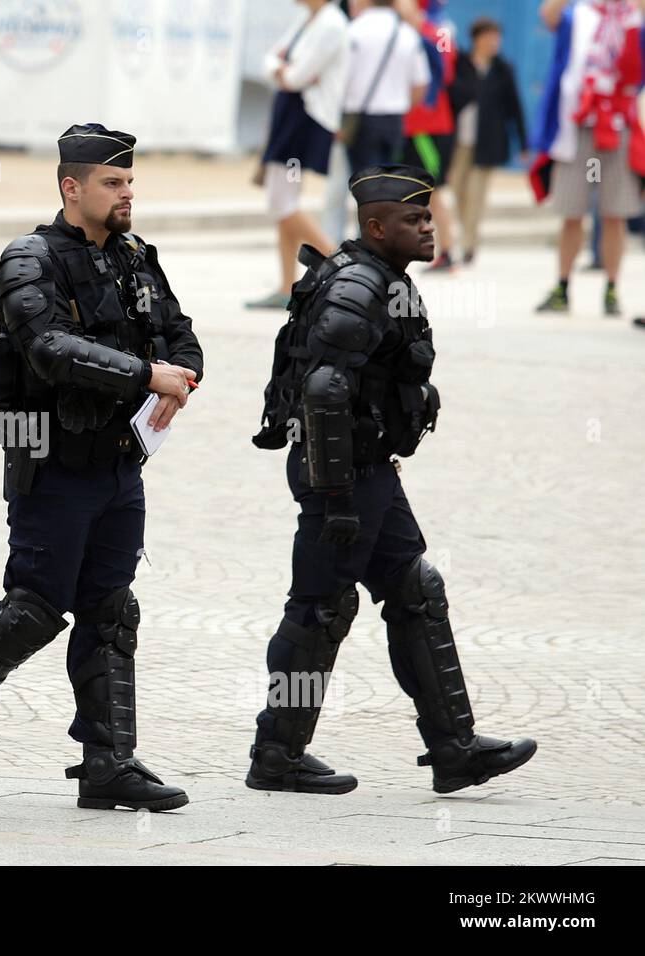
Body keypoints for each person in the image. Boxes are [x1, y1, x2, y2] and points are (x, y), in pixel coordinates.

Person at [0, 125, 203, 813]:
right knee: (34, 608)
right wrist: (146, 374)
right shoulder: (29, 258)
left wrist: (182, 377)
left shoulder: (134, 257)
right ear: (72, 187)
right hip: (52, 461)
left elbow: (180, 335)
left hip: (121, 465)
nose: (126, 193)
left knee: (111, 607)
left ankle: (109, 763)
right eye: (111, 183)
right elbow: (47, 348)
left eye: (130, 182)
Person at [247, 164, 537, 795]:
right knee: (321, 608)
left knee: (415, 589)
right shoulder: (358, 287)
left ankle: (455, 749)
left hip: (369, 468)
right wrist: (337, 494)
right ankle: (276, 755)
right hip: (343, 474)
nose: (429, 229)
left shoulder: (385, 278)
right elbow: (322, 391)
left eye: (429, 216)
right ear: (376, 227)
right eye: (414, 220)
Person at [533, 0, 645, 317]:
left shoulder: (633, 16)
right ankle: (562, 287)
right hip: (579, 125)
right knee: (572, 210)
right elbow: (549, 15)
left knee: (615, 213)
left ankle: (611, 289)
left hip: (619, 125)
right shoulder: (579, 14)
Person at [246, 0, 350, 310]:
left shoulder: (331, 23)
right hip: (291, 117)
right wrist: (282, 68)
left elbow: (296, 77)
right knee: (283, 201)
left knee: (284, 203)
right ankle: (286, 284)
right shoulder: (308, 19)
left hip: (302, 123)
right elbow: (271, 62)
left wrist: (284, 69)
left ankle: (340, 265)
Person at [447, 16, 527, 265]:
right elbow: (451, 94)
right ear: (477, 39)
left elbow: (515, 107)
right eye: (489, 37)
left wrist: (523, 144)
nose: (494, 43)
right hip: (460, 141)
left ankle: (469, 245)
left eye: (496, 38)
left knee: (476, 194)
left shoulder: (503, 69)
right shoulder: (461, 64)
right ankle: (466, 236)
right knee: (458, 190)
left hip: (488, 141)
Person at [400, 0, 458, 272]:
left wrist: (421, 30)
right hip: (409, 125)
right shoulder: (402, 31)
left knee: (433, 191)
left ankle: (447, 250)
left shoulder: (439, 31)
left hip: (429, 128)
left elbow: (446, 69)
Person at [340, 0, 429, 174]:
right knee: (388, 179)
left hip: (359, 118)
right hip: (394, 119)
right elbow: (421, 84)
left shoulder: (353, 31)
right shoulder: (407, 34)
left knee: (364, 180)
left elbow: (340, 78)